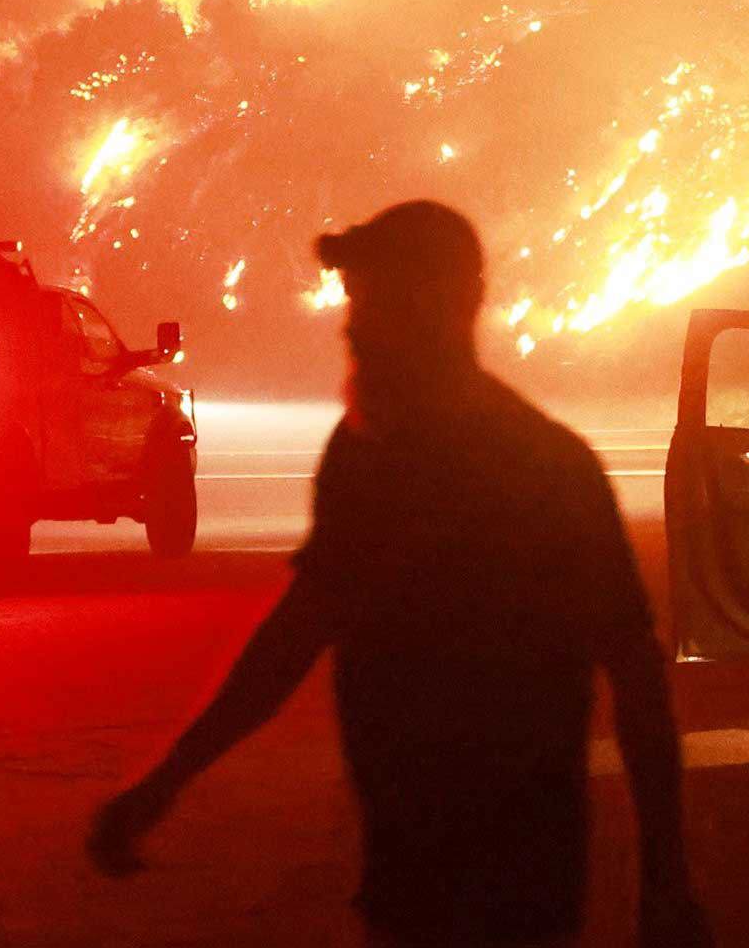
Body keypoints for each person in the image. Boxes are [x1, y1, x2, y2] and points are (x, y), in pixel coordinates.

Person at [89, 200, 709, 947]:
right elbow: (297, 633)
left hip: (516, 880)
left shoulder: (544, 470)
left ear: (446, 305)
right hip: (404, 872)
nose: (353, 327)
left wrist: (666, 882)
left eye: (377, 302)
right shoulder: (366, 458)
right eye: (357, 302)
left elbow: (636, 677)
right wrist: (166, 782)